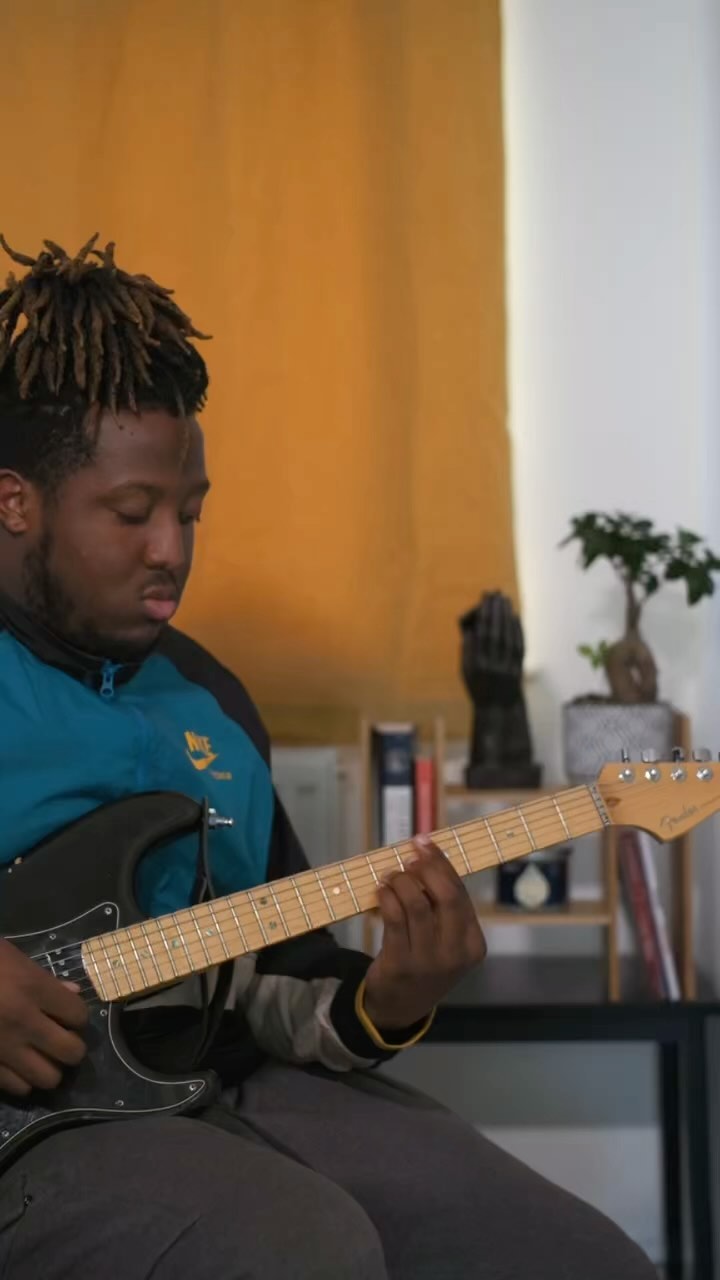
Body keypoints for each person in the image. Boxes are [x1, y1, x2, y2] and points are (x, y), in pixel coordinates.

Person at [0, 233, 655, 1279]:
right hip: (33, 1133)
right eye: (131, 513)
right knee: (305, 1245)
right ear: (14, 501)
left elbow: (276, 981)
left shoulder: (210, 700)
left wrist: (389, 997)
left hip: (217, 1085)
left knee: (573, 1255)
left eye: (190, 512)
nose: (172, 549)